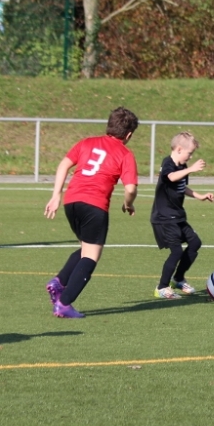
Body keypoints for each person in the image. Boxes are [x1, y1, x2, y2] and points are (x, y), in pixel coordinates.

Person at [43, 107, 140, 318]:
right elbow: (131, 189)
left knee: (85, 249)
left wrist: (56, 195)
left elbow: (63, 165)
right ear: (129, 135)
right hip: (94, 205)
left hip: (71, 202)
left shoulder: (86, 142)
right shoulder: (125, 154)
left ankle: (59, 282)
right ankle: (64, 303)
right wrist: (128, 203)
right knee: (91, 257)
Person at [150, 132, 214, 299]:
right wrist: (191, 168)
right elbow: (171, 177)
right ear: (179, 149)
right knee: (176, 251)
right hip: (164, 217)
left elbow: (181, 186)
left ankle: (178, 279)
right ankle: (161, 287)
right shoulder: (168, 163)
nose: (190, 156)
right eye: (189, 153)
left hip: (177, 216)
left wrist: (199, 196)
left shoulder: (182, 167)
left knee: (195, 242)